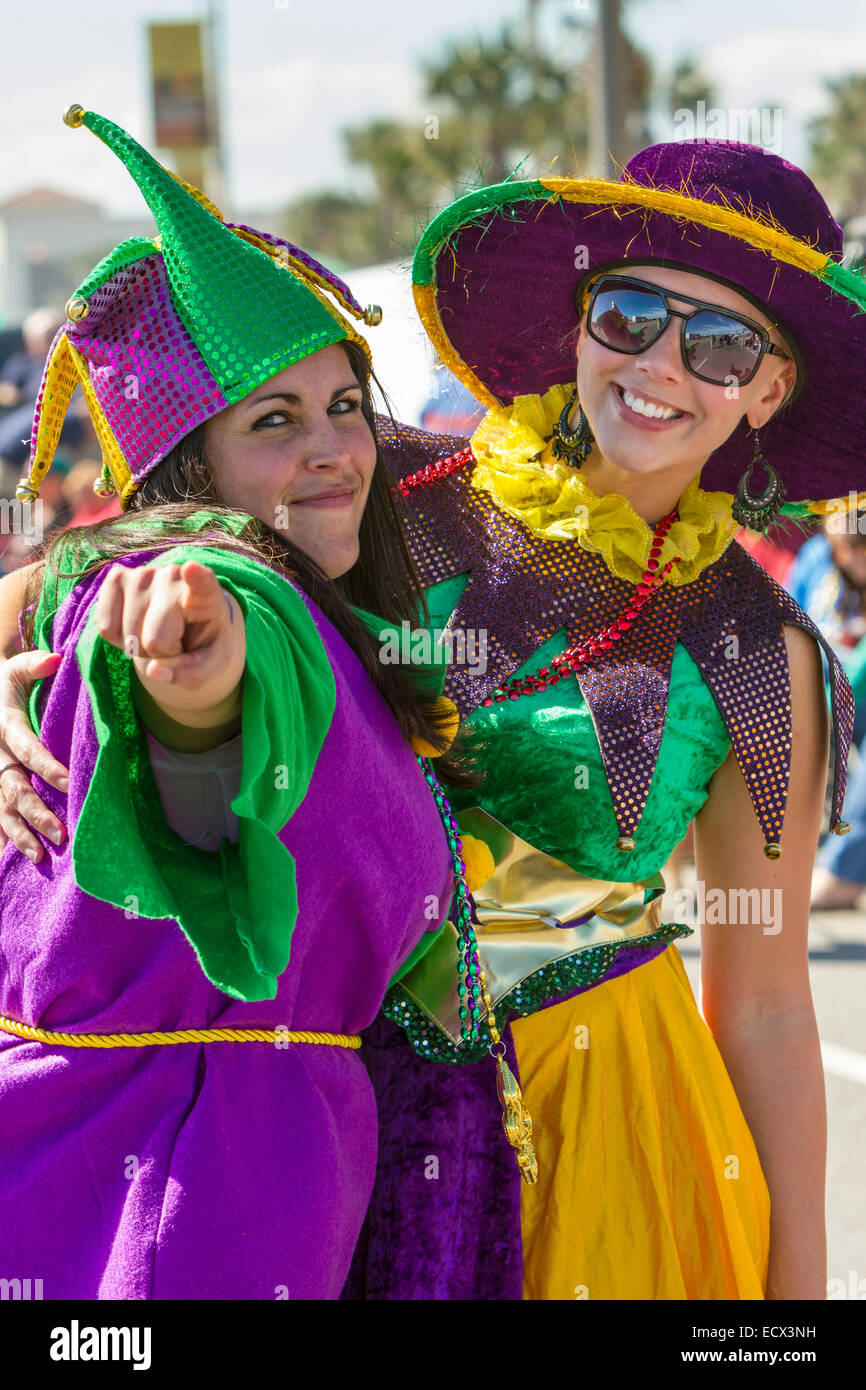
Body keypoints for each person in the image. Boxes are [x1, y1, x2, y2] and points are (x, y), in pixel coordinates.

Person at [341, 140, 864, 1300]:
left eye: (720, 344)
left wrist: (794, 1298)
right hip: (329, 1082)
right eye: (630, 314)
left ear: (768, 390)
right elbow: (167, 549)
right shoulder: (375, 504)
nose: (661, 365)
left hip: (606, 1141)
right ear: (581, 319)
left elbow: (769, 1003)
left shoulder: (760, 653)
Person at [0, 106, 477, 1301]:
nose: (334, 449)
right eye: (274, 421)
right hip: (154, 1200)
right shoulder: (225, 593)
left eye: (342, 406)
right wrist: (190, 681)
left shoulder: (331, 604)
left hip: (241, 1169)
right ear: (189, 470)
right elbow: (202, 717)